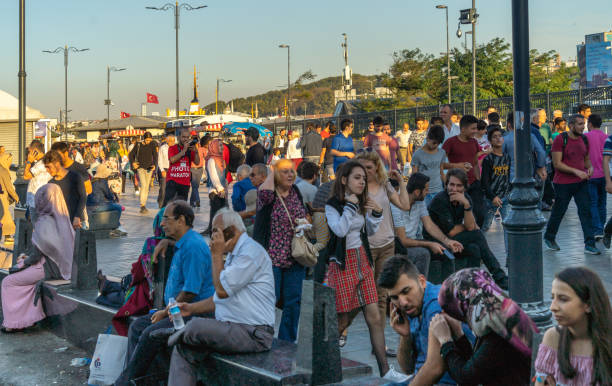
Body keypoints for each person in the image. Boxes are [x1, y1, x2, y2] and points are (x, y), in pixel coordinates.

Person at [163, 208, 276, 386]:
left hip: (253, 333)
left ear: (231, 231)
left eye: (215, 231)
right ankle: (179, 339)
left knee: (196, 326)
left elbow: (222, 290)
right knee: (185, 348)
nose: (213, 238)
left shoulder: (250, 253)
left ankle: (174, 335)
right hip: (231, 327)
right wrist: (190, 308)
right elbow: (219, 299)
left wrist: (216, 255)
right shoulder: (233, 254)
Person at [324, 161, 407, 382]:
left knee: (374, 316)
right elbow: (340, 230)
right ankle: (322, 363)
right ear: (344, 180)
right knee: (341, 322)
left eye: (363, 178)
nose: (362, 182)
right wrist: (351, 207)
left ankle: (386, 370)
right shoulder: (333, 204)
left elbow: (366, 231)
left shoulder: (360, 202)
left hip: (362, 259)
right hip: (342, 265)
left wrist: (376, 214)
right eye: (357, 178)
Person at [115, 200, 214, 384]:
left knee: (150, 334)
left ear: (181, 220)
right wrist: (167, 242)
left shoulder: (193, 247)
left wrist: (165, 311)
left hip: (194, 314)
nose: (162, 223)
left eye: (167, 219)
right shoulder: (183, 243)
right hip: (176, 310)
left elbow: (190, 291)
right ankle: (136, 379)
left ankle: (126, 382)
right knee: (137, 327)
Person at [431, 268, 536, 385]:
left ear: (463, 305)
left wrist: (446, 342)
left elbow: (467, 377)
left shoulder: (496, 332)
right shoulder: (498, 315)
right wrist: (459, 335)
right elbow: (478, 365)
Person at [378, 255, 469, 385]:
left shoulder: (436, 307)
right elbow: (408, 369)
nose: (403, 302)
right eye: (395, 297)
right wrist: (406, 336)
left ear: (422, 281)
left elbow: (434, 369)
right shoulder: (413, 306)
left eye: (406, 291)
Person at [1, 184, 75, 332]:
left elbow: (36, 256)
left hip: (46, 269)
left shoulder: (44, 222)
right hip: (60, 267)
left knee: (8, 282)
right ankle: (29, 318)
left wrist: (23, 262)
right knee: (23, 282)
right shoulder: (63, 219)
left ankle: (13, 323)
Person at [253, 158, 308, 342]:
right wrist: (272, 170)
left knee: (294, 302)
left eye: (292, 171)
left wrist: (304, 224)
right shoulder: (268, 195)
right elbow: (265, 192)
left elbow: (302, 215)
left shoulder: (296, 192)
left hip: (295, 257)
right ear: (275, 174)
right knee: (270, 300)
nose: (290, 175)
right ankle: (263, 339)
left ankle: (287, 342)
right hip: (272, 257)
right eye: (285, 171)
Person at [427, 168, 508, 289]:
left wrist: (466, 205)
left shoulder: (466, 199)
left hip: (455, 240)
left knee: (474, 248)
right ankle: (499, 276)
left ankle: (471, 285)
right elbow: (453, 231)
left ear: (464, 188)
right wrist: (467, 227)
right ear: (446, 185)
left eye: (459, 186)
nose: (454, 189)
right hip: (438, 242)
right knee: (477, 235)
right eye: (451, 185)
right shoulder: (440, 200)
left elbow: (471, 226)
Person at [534, 267, 612, 386]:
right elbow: (539, 380)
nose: (552, 307)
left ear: (588, 304)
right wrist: (540, 381)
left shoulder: (607, 343)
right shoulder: (553, 338)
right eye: (552, 298)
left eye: (563, 299)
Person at [392, 173, 464, 283]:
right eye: (426, 190)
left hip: (413, 241)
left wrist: (447, 241)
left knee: (445, 251)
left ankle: (446, 290)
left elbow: (430, 225)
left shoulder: (419, 202)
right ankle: (421, 290)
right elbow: (403, 240)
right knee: (423, 253)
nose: (428, 192)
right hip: (397, 246)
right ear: (417, 192)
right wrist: (429, 244)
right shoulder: (396, 204)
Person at [544, 114, 599, 254]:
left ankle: (589, 243)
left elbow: (586, 159)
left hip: (581, 182)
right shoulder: (560, 139)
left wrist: (590, 168)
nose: (583, 127)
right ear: (571, 125)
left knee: (586, 212)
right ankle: (549, 237)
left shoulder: (584, 139)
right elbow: (557, 164)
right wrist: (576, 171)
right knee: (559, 212)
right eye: (580, 124)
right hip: (563, 183)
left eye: (584, 124)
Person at [442, 115, 485, 227]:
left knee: (480, 214)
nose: (475, 131)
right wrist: (457, 166)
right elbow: (440, 164)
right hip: (458, 186)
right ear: (463, 129)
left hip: (474, 184)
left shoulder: (474, 142)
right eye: (473, 129)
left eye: (476, 128)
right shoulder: (450, 142)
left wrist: (478, 180)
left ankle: (475, 234)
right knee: (457, 216)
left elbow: (475, 162)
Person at [480, 126, 510, 244]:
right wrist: (492, 197)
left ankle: (510, 257)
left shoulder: (508, 157)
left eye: (500, 136)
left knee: (508, 227)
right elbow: (485, 182)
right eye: (494, 137)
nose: (498, 139)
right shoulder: (488, 159)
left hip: (505, 198)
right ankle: (480, 251)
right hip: (491, 198)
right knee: (485, 227)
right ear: (490, 141)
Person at [43, 150, 86, 229]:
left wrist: (77, 216)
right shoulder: (50, 183)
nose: (47, 170)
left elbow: (83, 197)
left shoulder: (75, 177)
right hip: (59, 224)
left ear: (57, 164)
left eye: (48, 167)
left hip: (76, 223)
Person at [502, 112, 547, 184]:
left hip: (511, 176)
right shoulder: (531, 136)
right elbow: (541, 152)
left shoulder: (505, 139)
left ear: (509, 124)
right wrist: (540, 166)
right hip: (529, 175)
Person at [163, 129, 199, 209]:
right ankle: (163, 220)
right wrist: (183, 151)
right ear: (179, 137)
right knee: (167, 205)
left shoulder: (190, 149)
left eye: (187, 137)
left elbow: (197, 162)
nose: (185, 139)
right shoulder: (172, 148)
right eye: (183, 137)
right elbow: (172, 160)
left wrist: (196, 152)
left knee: (181, 207)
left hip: (185, 182)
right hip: (172, 180)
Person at [411, 125, 447, 206]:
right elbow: (414, 175)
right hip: (423, 193)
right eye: (434, 142)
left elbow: (441, 171)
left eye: (438, 143)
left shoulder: (442, 153)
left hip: (438, 191)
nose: (435, 145)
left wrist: (446, 184)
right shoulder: (417, 154)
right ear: (427, 138)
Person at [584, 114, 607, 239]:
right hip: (604, 174)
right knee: (602, 203)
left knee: (592, 202)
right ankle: (601, 227)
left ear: (590, 124)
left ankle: (597, 229)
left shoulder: (585, 137)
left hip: (590, 174)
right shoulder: (606, 137)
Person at [86, 164, 124, 236]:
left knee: (112, 204)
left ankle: (116, 226)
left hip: (89, 205)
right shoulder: (102, 181)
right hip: (97, 206)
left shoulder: (93, 180)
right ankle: (116, 227)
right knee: (118, 207)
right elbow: (109, 196)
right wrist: (113, 198)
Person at [129, 132, 158, 213]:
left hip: (149, 168)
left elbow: (155, 156)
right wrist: (133, 163)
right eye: (147, 140)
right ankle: (142, 205)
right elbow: (131, 155)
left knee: (146, 187)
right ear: (144, 138)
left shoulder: (152, 144)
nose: (148, 141)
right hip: (140, 168)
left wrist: (155, 165)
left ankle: (143, 204)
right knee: (144, 185)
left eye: (150, 140)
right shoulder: (138, 145)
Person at [203, 137, 228, 235]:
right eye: (220, 145)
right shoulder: (212, 160)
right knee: (216, 213)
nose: (222, 147)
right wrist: (220, 188)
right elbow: (213, 176)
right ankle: (213, 233)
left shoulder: (220, 158)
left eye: (222, 145)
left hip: (221, 190)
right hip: (215, 191)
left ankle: (215, 230)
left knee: (219, 212)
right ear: (214, 147)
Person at [24, 140, 51, 221]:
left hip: (37, 202)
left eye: (30, 152)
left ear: (35, 151)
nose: (29, 154)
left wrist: (29, 161)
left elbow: (26, 176)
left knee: (37, 229)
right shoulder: (41, 162)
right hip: (36, 201)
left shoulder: (41, 164)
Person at [239, 164, 267, 234]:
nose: (250, 178)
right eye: (249, 175)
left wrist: (236, 216)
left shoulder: (265, 190)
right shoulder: (261, 187)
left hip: (266, 227)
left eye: (252, 175)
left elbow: (253, 212)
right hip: (262, 222)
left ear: (263, 177)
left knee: (240, 232)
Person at [0, 153, 19, 244]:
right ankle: (7, 237)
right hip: (2, 197)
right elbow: (9, 187)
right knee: (6, 217)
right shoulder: (3, 170)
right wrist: (16, 197)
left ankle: (7, 236)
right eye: (9, 161)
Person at [189, 135, 207, 208]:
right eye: (194, 140)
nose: (196, 142)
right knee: (194, 186)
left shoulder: (202, 149)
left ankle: (191, 201)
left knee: (195, 186)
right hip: (192, 169)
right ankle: (197, 200)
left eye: (196, 140)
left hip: (200, 169)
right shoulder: (190, 148)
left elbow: (206, 157)